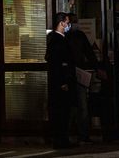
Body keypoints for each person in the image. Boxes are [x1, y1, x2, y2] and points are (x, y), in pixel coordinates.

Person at [66, 13, 101, 144]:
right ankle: (70, 134)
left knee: (82, 105)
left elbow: (89, 52)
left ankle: (83, 134)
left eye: (76, 21)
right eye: (72, 21)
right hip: (69, 74)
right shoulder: (64, 36)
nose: (75, 23)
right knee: (73, 106)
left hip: (79, 73)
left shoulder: (79, 35)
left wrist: (96, 68)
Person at [45, 12, 76, 149]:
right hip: (61, 83)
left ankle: (62, 139)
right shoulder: (57, 40)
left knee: (62, 112)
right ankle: (61, 140)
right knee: (62, 112)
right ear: (62, 23)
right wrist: (63, 82)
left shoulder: (56, 39)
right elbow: (57, 63)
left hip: (60, 82)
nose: (69, 25)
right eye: (67, 22)